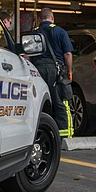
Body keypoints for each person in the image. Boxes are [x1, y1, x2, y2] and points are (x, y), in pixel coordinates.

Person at [31, 8, 74, 138]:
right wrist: (70, 71)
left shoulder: (35, 34)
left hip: (37, 70)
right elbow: (67, 54)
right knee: (60, 101)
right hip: (55, 71)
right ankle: (64, 135)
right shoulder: (60, 32)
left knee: (39, 103)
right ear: (52, 18)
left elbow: (27, 56)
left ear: (40, 19)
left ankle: (42, 134)